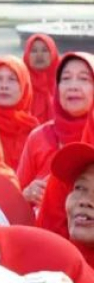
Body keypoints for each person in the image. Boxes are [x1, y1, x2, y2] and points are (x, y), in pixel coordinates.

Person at [18, 52, 94, 200]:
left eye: (84, 78)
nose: (73, 86)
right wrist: (27, 194)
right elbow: (16, 199)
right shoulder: (38, 137)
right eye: (65, 78)